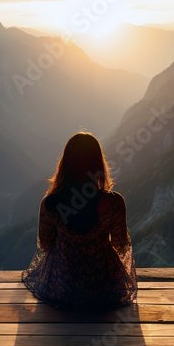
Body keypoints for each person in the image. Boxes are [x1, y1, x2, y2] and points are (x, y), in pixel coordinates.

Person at [22, 132, 137, 311]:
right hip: (104, 290)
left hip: (60, 289)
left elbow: (45, 244)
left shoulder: (50, 204)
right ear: (99, 164)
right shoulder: (114, 202)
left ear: (65, 165)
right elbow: (120, 244)